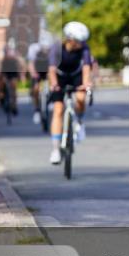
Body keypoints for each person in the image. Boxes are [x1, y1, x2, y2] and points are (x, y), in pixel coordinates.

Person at [48, 22, 94, 164]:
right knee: (58, 109)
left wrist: (86, 83)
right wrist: (54, 84)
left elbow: (86, 67)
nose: (82, 44)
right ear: (70, 39)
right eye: (79, 41)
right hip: (60, 76)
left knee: (80, 98)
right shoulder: (57, 47)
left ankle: (79, 121)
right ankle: (55, 149)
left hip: (76, 75)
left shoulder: (84, 48)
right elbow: (51, 69)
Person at [0, 38, 26, 116]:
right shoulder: (2, 52)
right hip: (5, 71)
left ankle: (14, 105)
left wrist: (22, 74)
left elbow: (22, 62)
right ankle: (1, 96)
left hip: (13, 71)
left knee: (14, 88)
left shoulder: (16, 53)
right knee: (1, 83)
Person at [27, 38, 51, 125]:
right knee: (36, 89)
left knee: (52, 85)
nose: (46, 51)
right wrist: (33, 73)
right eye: (44, 49)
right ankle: (37, 110)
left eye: (47, 50)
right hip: (37, 69)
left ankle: (50, 101)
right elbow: (31, 64)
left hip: (47, 69)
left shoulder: (51, 51)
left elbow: (54, 65)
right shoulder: (34, 49)